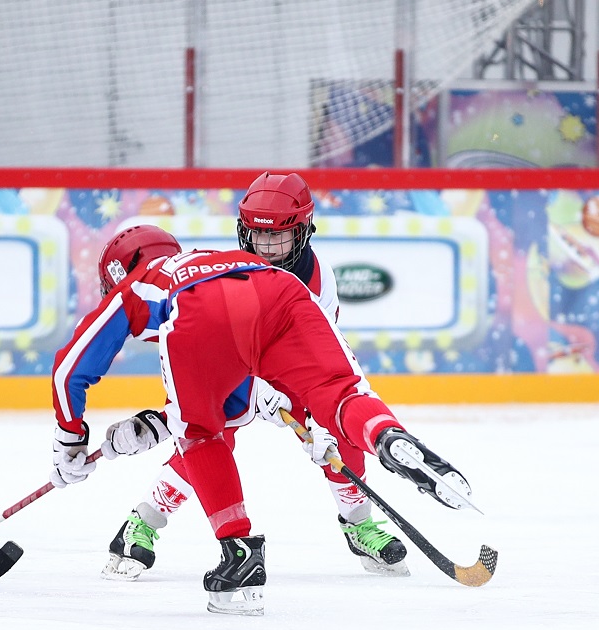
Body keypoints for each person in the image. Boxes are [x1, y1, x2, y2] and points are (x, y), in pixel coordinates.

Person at [50, 226, 474, 615]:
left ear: (120, 272)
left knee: (200, 437)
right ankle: (384, 433)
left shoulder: (141, 285)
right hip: (283, 295)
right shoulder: (243, 261)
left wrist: (69, 442)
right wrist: (153, 427)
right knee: (343, 394)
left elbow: (70, 369)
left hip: (212, 324)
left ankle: (240, 553)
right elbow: (239, 392)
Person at [100, 173, 409, 582]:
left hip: (286, 370)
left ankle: (359, 523)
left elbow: (320, 357)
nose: (264, 249)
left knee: (338, 428)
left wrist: (315, 421)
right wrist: (256, 389)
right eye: (256, 237)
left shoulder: (321, 280)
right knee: (209, 435)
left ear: (303, 232)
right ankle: (142, 523)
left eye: (277, 239)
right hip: (231, 365)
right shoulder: (228, 269)